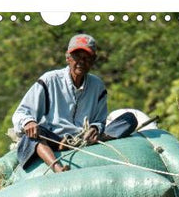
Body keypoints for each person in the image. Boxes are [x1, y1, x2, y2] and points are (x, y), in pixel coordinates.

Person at [12, 34, 137, 173]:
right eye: (77, 56)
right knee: (33, 135)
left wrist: (95, 129)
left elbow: (100, 120)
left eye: (87, 58)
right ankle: (58, 168)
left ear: (93, 61)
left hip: (84, 138)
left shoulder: (98, 86)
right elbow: (21, 112)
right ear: (68, 58)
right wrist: (28, 122)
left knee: (129, 119)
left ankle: (95, 139)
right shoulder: (49, 80)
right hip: (54, 138)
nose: (81, 62)